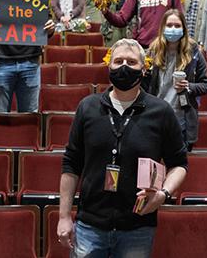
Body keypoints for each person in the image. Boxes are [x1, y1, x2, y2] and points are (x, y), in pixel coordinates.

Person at [58, 38, 188, 257]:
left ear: (144, 69)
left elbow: (179, 164)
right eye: (118, 61)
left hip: (137, 227)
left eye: (131, 61)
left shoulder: (161, 111)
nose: (124, 67)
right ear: (109, 66)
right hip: (90, 226)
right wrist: (63, 217)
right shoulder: (87, 107)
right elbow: (71, 164)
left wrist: (163, 194)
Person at [147, 10, 207, 152]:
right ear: (162, 27)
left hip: (181, 119)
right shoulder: (152, 52)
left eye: (177, 25)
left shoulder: (193, 53)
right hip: (155, 117)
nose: (173, 29)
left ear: (183, 29)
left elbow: (205, 85)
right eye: (169, 25)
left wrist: (189, 86)